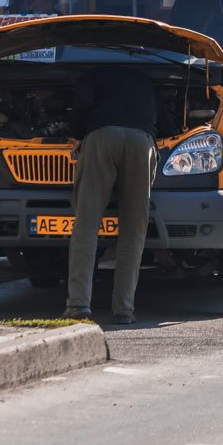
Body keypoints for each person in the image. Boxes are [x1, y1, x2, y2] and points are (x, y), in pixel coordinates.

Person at [63, 66, 164, 324]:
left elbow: (81, 105)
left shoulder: (91, 73)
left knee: (86, 225)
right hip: (142, 142)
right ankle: (124, 310)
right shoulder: (145, 78)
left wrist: (76, 133)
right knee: (133, 230)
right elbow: (164, 121)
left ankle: (79, 305)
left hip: (102, 137)